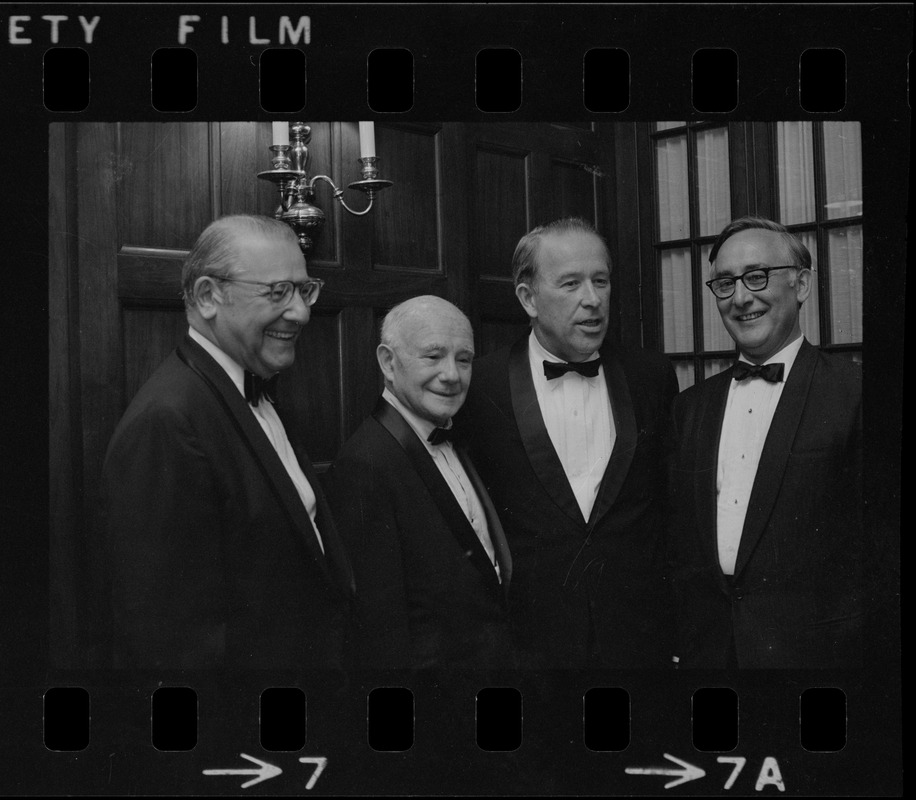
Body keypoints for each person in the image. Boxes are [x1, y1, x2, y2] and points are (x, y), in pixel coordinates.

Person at [100, 214, 355, 670]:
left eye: (304, 290)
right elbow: (170, 644)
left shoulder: (255, 383)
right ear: (207, 296)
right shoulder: (167, 422)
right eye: (278, 291)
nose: (301, 312)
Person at [457, 218, 679, 669]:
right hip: (529, 649)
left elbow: (669, 507)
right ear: (528, 298)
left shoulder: (651, 376)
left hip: (639, 643)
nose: (592, 300)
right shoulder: (480, 387)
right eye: (571, 284)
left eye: (601, 281)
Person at [668, 216, 863, 668]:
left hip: (819, 661)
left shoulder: (856, 395)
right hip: (709, 658)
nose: (740, 297)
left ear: (801, 285)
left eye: (757, 276)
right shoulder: (689, 409)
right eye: (724, 283)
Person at [324, 296, 514, 669]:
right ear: (388, 362)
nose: (452, 375)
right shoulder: (364, 466)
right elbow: (380, 637)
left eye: (463, 359)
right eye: (433, 356)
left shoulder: (459, 434)